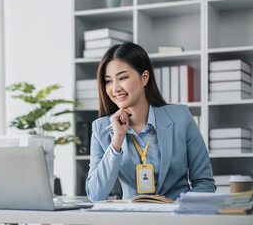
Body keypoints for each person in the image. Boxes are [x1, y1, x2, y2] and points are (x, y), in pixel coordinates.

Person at [85, 42, 215, 202]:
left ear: (144, 78)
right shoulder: (100, 129)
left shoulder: (181, 117)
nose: (115, 88)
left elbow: (205, 183)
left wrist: (174, 205)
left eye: (122, 78)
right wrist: (116, 141)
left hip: (176, 217)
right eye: (108, 81)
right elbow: (96, 195)